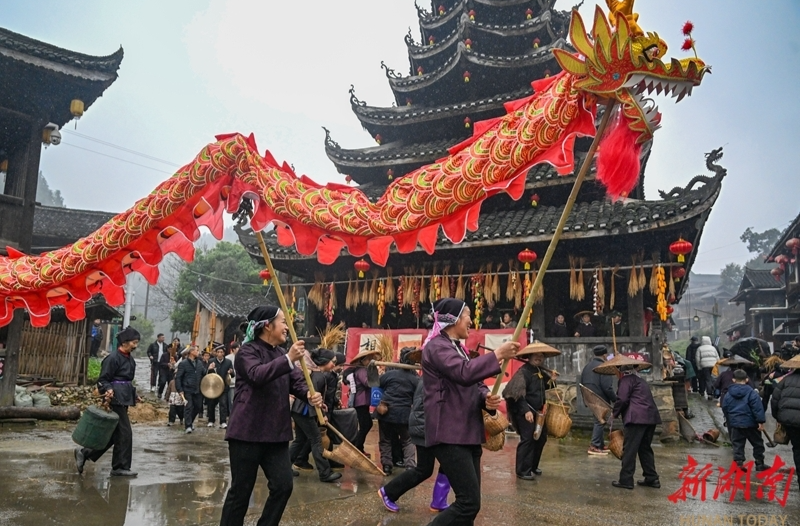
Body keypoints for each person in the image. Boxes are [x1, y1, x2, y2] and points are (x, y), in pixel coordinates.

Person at [219, 306, 323, 526]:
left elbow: (296, 382)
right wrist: (288, 358)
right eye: (283, 322)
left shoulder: (280, 354)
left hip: (275, 434)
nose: (287, 327)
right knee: (241, 492)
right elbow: (258, 375)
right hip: (246, 433)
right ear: (268, 325)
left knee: (283, 486)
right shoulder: (247, 352)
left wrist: (309, 394)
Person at [420, 298, 519, 525]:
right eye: (467, 315)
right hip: (449, 432)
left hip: (467, 432)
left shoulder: (458, 349)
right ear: (453, 319)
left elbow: (475, 384)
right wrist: (497, 355)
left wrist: (486, 397)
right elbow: (464, 373)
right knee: (468, 503)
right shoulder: (436, 347)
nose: (471, 321)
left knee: (470, 504)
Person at [74, 326, 140, 477]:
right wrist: (108, 389)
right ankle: (119, 467)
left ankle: (85, 453)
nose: (135, 346)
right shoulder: (112, 358)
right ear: (124, 342)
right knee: (125, 433)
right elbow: (103, 380)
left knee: (115, 435)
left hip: (123, 398)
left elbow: (128, 381)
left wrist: (134, 394)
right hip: (114, 399)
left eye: (136, 343)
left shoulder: (130, 360)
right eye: (134, 342)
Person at [379, 380, 450, 514]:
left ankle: (439, 501)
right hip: (426, 427)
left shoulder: (433, 376)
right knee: (424, 469)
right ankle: (388, 492)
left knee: (445, 464)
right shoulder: (434, 378)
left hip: (429, 426)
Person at [503, 342, 559, 479]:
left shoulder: (539, 371)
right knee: (527, 439)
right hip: (526, 411)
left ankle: (533, 466)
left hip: (539, 412)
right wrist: (526, 411)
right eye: (536, 355)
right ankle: (522, 470)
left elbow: (547, 386)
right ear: (530, 356)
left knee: (541, 438)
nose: (539, 358)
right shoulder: (523, 372)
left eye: (541, 356)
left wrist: (552, 379)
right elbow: (515, 393)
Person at [605, 356, 661, 490]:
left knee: (629, 449)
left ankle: (626, 480)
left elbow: (622, 399)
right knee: (645, 448)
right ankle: (652, 478)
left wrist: (614, 413)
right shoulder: (641, 381)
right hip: (650, 418)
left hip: (636, 419)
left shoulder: (625, 381)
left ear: (620, 371)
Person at [289, 348, 342, 483]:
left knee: (300, 440)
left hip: (298, 410)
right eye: (333, 362)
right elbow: (313, 398)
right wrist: (322, 415)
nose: (334, 365)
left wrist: (321, 407)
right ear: (325, 362)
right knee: (316, 440)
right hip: (305, 411)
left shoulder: (315, 374)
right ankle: (325, 473)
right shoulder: (319, 376)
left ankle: (285, 468)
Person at [377, 347, 420, 475]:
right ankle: (410, 466)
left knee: (385, 440)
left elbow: (377, 383)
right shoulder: (415, 380)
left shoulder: (389, 374)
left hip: (386, 412)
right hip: (404, 414)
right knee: (408, 440)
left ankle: (387, 466)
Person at [722, 369, 769, 471]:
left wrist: (729, 419)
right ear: (747, 379)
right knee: (757, 443)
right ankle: (759, 463)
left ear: (733, 380)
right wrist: (760, 421)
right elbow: (757, 408)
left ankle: (739, 464)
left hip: (735, 424)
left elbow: (725, 407)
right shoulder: (752, 393)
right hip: (751, 424)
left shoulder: (728, 394)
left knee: (737, 444)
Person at [343, 346, 382, 455]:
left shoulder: (363, 370)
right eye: (368, 359)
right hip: (360, 401)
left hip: (363, 401)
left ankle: (357, 446)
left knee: (366, 424)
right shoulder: (361, 370)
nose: (370, 361)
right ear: (363, 360)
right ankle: (357, 448)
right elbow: (367, 383)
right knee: (366, 425)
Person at [771, 354, 800, 492]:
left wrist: (778, 418)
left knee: (797, 448)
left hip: (790, 421)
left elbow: (775, 400)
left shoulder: (785, 380)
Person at [580, 344, 617, 455]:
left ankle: (600, 444)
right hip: (600, 398)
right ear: (605, 355)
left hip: (589, 397)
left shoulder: (587, 366)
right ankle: (595, 445)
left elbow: (581, 382)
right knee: (600, 421)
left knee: (599, 419)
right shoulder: (603, 367)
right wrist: (615, 399)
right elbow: (607, 387)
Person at [175, 344, 206, 433]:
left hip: (197, 389)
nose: (198, 352)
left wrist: (210, 369)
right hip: (187, 389)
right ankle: (188, 426)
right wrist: (180, 390)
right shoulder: (183, 363)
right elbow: (178, 377)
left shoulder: (199, 363)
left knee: (198, 406)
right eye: (197, 350)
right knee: (188, 407)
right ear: (191, 352)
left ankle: (190, 422)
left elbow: (204, 373)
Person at [206, 344, 233, 429]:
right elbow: (207, 374)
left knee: (223, 404)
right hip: (213, 387)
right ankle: (211, 420)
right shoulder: (211, 361)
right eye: (218, 352)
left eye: (221, 352)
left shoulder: (228, 362)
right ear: (216, 353)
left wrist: (231, 372)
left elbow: (232, 374)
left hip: (223, 387)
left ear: (224, 353)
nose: (220, 353)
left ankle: (223, 421)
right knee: (211, 404)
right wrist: (210, 368)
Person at [226, 341, 240, 409]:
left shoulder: (241, 357)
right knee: (231, 400)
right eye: (238, 348)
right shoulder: (228, 358)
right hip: (231, 382)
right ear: (233, 349)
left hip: (239, 382)